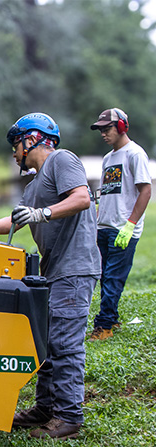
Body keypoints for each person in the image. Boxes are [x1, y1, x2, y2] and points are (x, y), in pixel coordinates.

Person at [0, 112, 101, 440]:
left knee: (64, 344)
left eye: (16, 145)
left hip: (74, 267)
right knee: (47, 342)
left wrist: (43, 213)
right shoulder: (35, 184)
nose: (14, 153)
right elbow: (13, 221)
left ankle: (68, 418)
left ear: (33, 139)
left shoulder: (61, 160)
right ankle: (45, 408)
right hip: (54, 271)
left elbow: (81, 198)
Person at [87, 108, 151, 341]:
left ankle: (104, 326)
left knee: (113, 278)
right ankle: (112, 317)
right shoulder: (107, 158)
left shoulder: (135, 154)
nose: (103, 134)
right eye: (101, 130)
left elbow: (146, 190)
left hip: (123, 229)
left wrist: (130, 224)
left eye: (108, 129)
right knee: (105, 277)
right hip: (104, 227)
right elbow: (107, 194)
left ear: (122, 127)